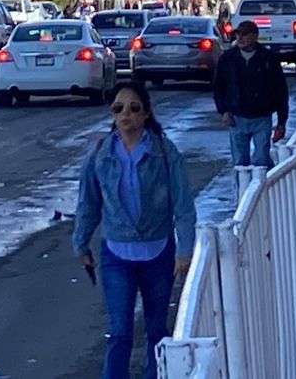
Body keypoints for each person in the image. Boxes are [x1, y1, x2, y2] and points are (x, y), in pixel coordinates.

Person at [73, 81, 198, 379]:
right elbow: (88, 202)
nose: (125, 114)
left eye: (133, 108)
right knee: (119, 332)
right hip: (116, 255)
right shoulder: (101, 153)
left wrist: (184, 250)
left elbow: (183, 204)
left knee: (156, 331)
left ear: (146, 113)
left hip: (158, 254)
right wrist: (81, 243)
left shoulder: (163, 152)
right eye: (118, 108)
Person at [212, 20, 290, 168]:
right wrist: (223, 111)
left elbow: (280, 91)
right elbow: (218, 87)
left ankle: (263, 182)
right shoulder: (228, 58)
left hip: (262, 117)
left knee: (261, 161)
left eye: (244, 34)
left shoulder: (268, 58)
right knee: (240, 163)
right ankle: (243, 184)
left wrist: (281, 123)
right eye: (238, 34)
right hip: (237, 117)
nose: (240, 38)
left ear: (255, 36)